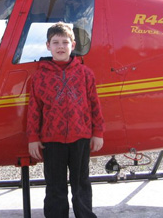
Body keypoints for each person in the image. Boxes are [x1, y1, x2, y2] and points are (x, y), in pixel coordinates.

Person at [27, 22, 105, 218]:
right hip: (52, 141)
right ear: (48, 46)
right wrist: (32, 138)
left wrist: (98, 133)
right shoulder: (39, 77)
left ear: (73, 44)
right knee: (55, 186)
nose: (60, 46)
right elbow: (34, 110)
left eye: (65, 42)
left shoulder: (86, 74)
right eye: (55, 42)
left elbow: (95, 104)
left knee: (81, 183)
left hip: (81, 138)